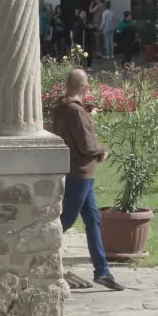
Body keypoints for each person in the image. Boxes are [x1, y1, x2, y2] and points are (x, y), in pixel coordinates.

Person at [53, 69, 125, 291]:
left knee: (93, 219)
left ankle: (102, 271)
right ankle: (36, 254)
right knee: (66, 220)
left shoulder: (60, 108)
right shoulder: (76, 111)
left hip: (77, 171)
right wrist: (102, 150)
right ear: (85, 87)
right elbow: (87, 145)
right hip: (80, 173)